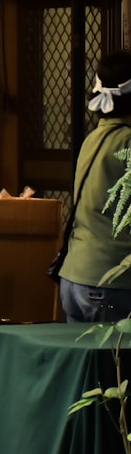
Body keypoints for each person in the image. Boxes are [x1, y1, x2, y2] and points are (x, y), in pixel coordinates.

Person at [59, 49, 131, 322]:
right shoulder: (126, 143)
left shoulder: (94, 138)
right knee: (115, 366)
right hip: (112, 282)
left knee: (85, 365)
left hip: (75, 277)